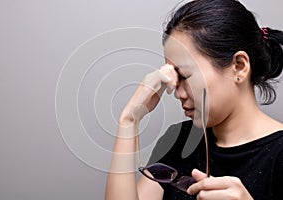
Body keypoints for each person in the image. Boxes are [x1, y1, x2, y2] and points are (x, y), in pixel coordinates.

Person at [105, 0, 283, 199]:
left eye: (186, 75)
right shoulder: (179, 139)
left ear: (239, 66)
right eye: (174, 76)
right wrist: (129, 120)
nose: (177, 93)